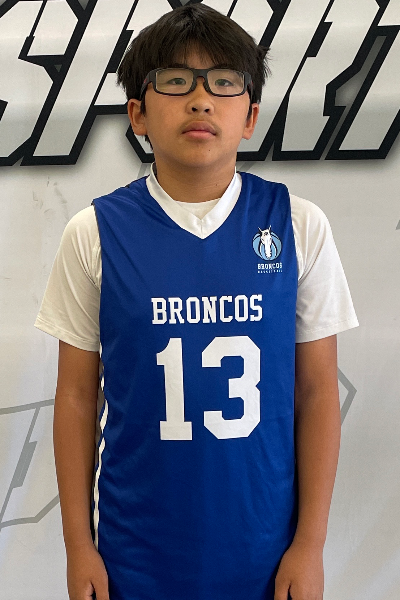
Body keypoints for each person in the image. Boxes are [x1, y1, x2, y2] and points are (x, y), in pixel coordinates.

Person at [34, 4, 358, 600]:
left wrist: (310, 545)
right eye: (176, 80)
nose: (201, 100)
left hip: (266, 552)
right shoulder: (94, 232)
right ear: (137, 113)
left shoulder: (297, 225)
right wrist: (79, 546)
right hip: (133, 552)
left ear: (250, 116)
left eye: (224, 82)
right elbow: (76, 396)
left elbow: (317, 392)